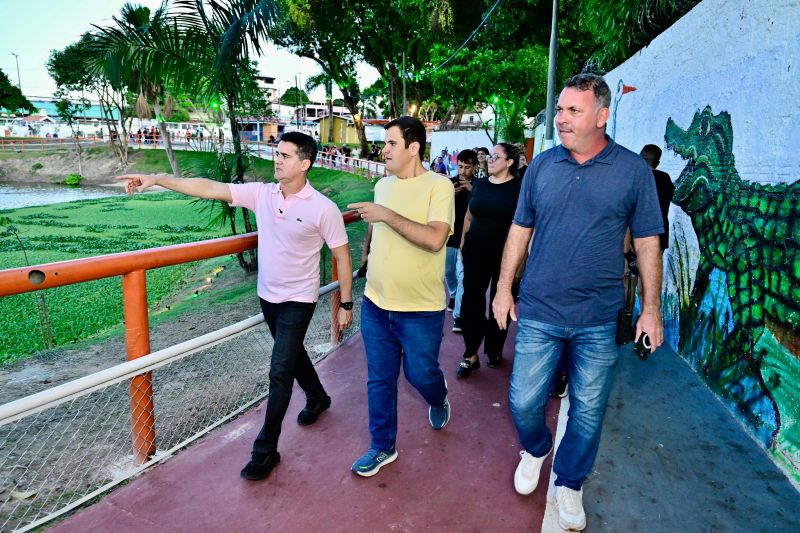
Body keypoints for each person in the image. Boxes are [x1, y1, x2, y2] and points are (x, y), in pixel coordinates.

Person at [115, 131, 354, 482]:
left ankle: (264, 450)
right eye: (277, 153)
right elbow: (209, 188)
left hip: (299, 299)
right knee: (290, 355)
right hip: (267, 296)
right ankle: (317, 397)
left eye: (285, 156)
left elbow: (343, 258)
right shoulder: (262, 194)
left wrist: (345, 303)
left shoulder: (323, 208)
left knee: (279, 371)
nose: (276, 160)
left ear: (304, 163)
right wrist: (158, 179)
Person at [491, 73, 664, 531]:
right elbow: (520, 229)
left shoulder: (633, 171)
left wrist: (651, 309)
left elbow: (648, 240)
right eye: (560, 110)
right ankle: (536, 448)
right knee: (523, 402)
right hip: (539, 310)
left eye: (573, 111)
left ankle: (570, 482)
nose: (561, 119)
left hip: (598, 318)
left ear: (601, 115)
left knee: (587, 411)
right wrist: (504, 287)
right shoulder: (541, 168)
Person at [347, 116, 454, 477]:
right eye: (384, 143)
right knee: (379, 378)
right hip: (376, 304)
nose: (384, 150)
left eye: (392, 143)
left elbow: (435, 239)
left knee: (420, 374)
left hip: (421, 310)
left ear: (414, 148)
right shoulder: (382, 186)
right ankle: (382, 446)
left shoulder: (439, 186)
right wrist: (367, 254)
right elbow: (376, 228)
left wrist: (386, 215)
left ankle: (438, 396)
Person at [456, 143, 523, 377]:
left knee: (501, 301)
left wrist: (521, 263)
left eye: (495, 157)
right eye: (489, 156)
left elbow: (527, 227)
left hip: (506, 257)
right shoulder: (481, 184)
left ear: (509, 162)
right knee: (470, 302)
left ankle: (494, 348)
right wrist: (463, 245)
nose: (489, 160)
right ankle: (470, 354)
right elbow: (468, 217)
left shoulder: (520, 189)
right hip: (475, 253)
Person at [446, 149, 477, 332]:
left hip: (468, 238)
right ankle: (453, 294)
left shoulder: (480, 186)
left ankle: (458, 316)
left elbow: (482, 206)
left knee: (462, 275)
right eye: (460, 166)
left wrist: (472, 190)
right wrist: (450, 195)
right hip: (450, 236)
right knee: (448, 272)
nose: (463, 171)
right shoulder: (449, 184)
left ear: (474, 167)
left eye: (467, 167)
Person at [640, 144, 675, 251]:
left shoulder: (636, 177)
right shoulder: (665, 178)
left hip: (638, 234)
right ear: (658, 163)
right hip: (660, 233)